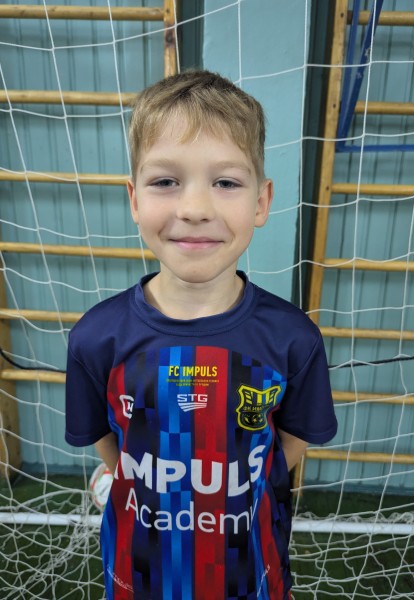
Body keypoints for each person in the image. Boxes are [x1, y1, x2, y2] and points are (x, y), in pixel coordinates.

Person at [65, 70, 337, 600]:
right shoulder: (95, 338)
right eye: (166, 181)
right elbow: (107, 443)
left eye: (226, 182)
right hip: (139, 576)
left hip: (250, 577)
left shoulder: (293, 339)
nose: (194, 209)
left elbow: (291, 443)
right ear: (134, 199)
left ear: (261, 201)